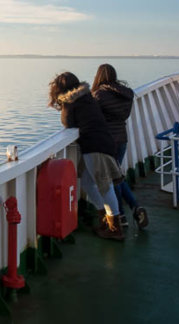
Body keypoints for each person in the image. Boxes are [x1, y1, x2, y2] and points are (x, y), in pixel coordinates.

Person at [49, 71, 125, 241]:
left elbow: (67, 123)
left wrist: (64, 104)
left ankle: (115, 228)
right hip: (101, 142)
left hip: (94, 145)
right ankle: (104, 217)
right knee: (87, 182)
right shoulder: (86, 97)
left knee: (105, 186)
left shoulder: (71, 101)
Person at [92, 64, 149, 230]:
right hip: (122, 139)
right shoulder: (126, 94)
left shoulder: (99, 95)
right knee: (116, 176)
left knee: (113, 178)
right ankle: (132, 210)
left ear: (99, 76)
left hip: (107, 141)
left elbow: (94, 117)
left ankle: (123, 214)